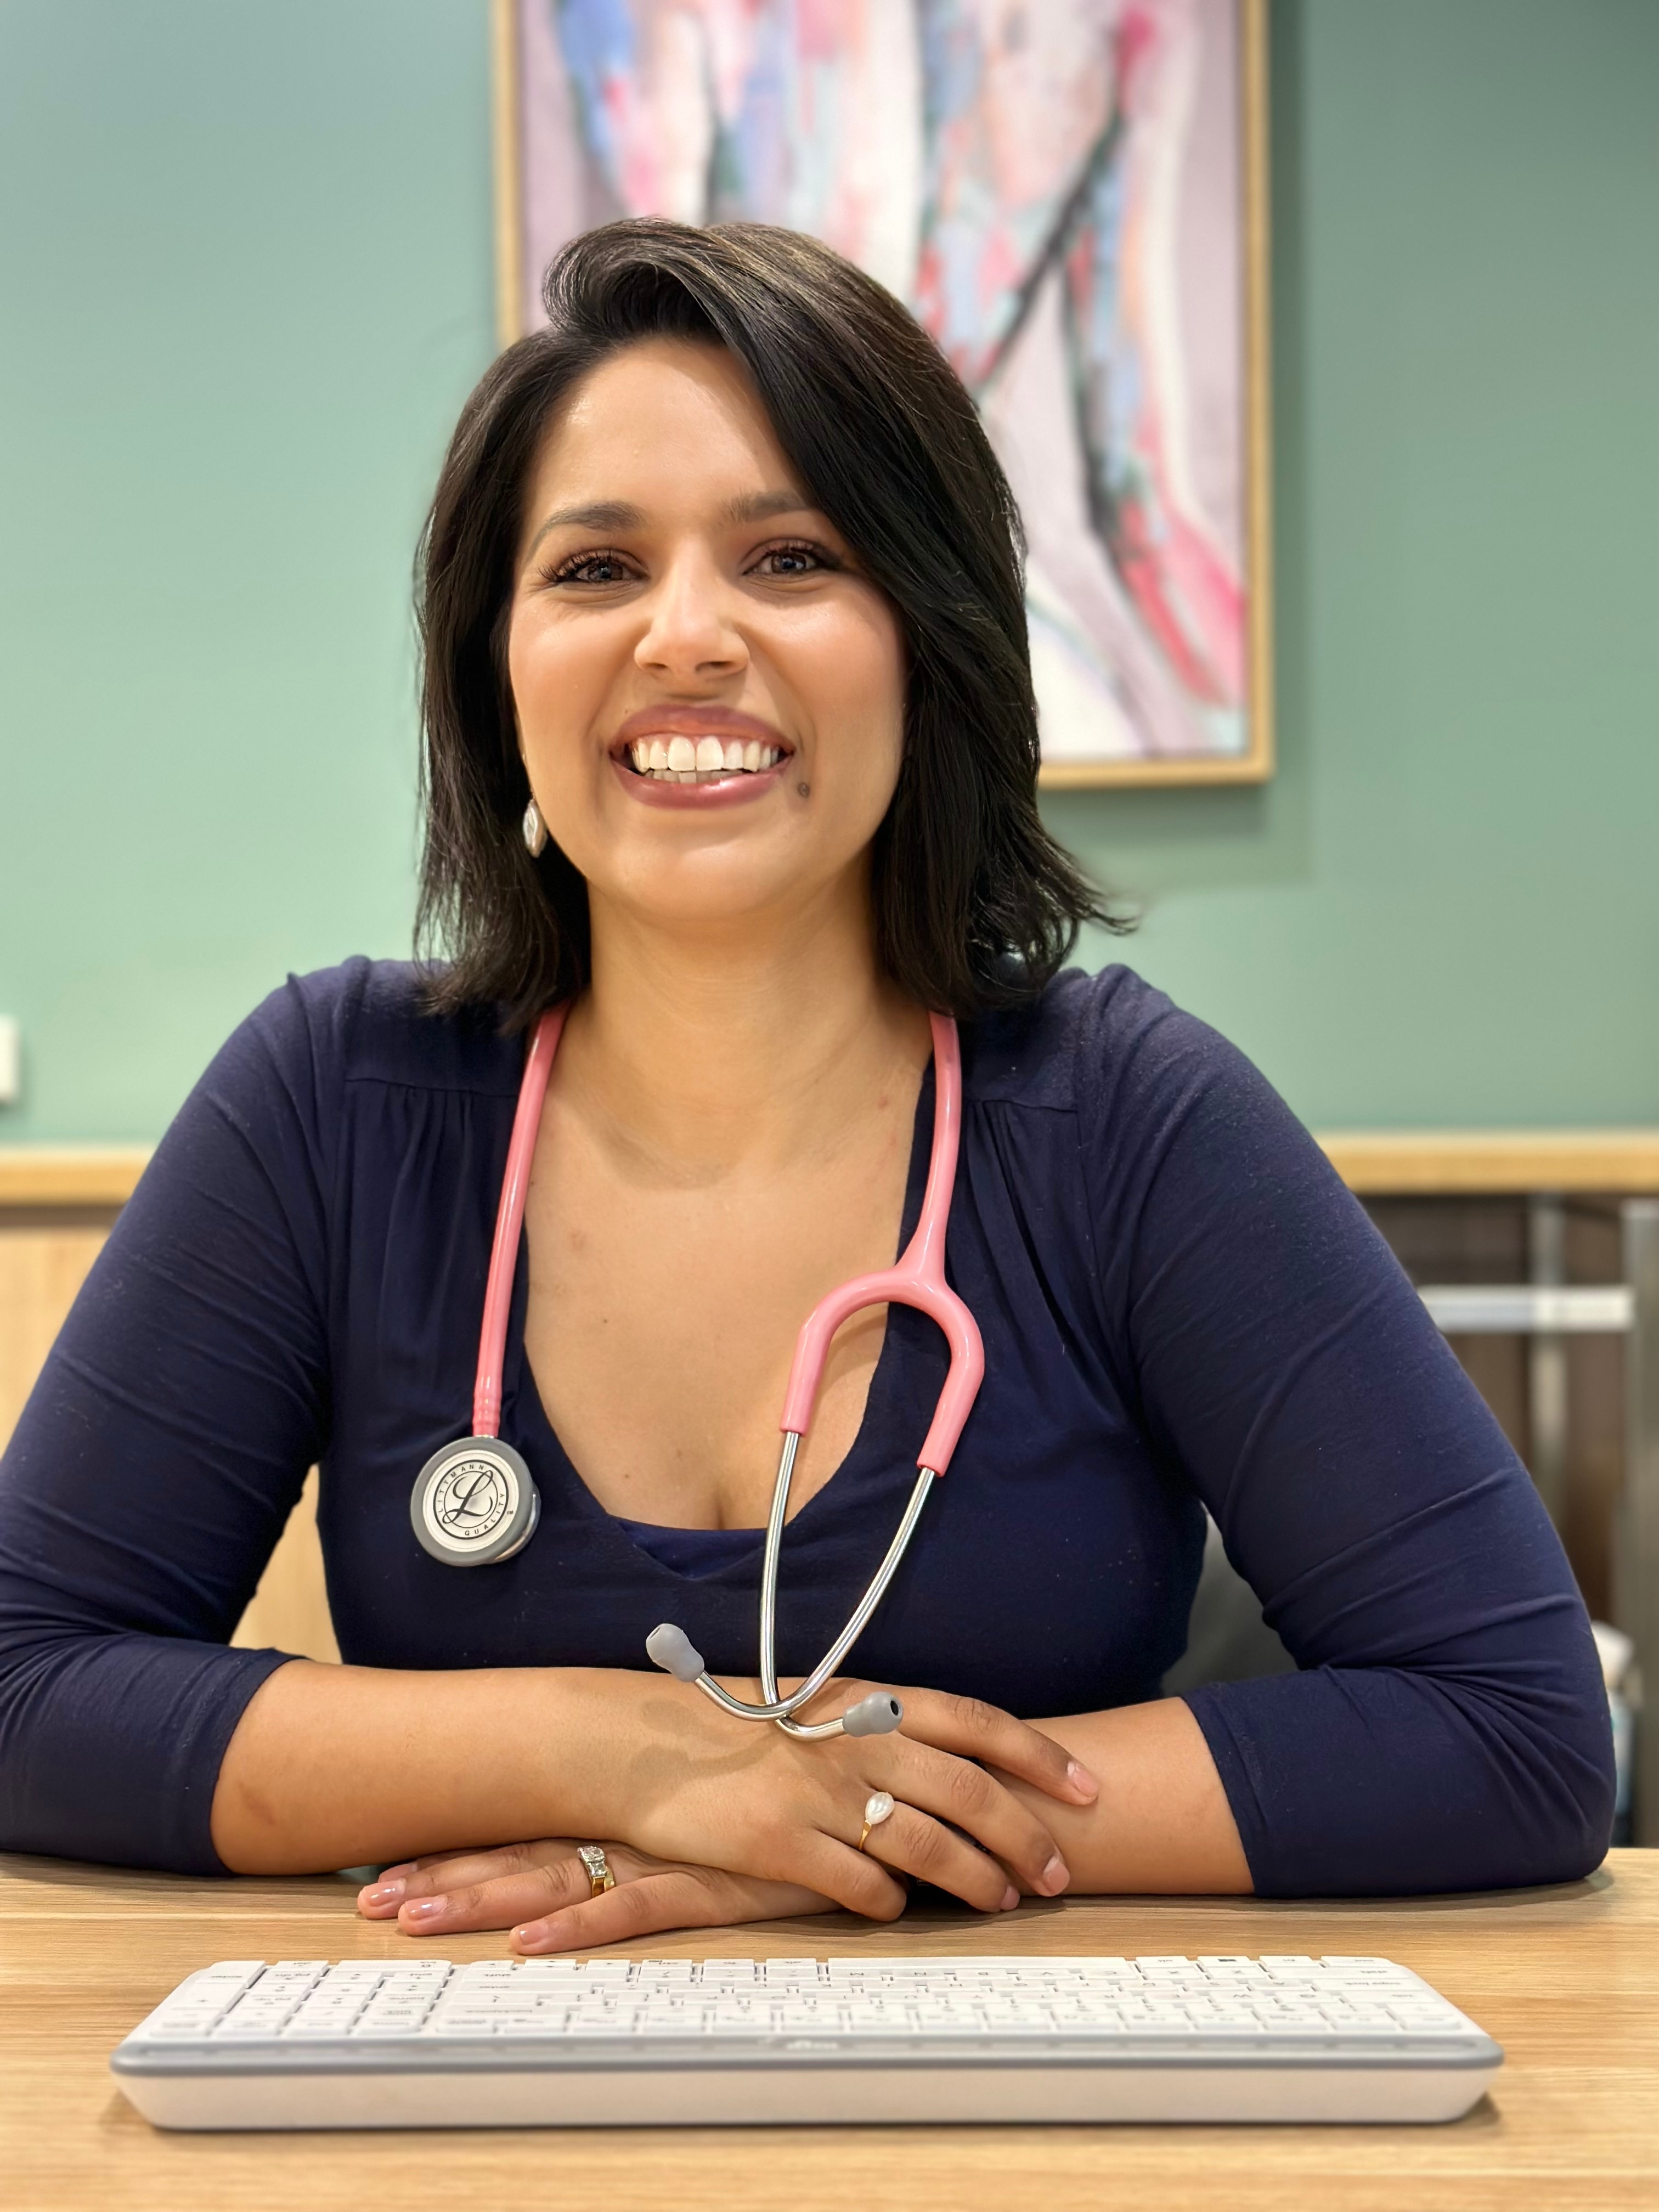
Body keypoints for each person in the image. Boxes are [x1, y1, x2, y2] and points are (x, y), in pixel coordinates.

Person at [0, 222, 1612, 1953]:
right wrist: (630, 1756)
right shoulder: (332, 1103)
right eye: (596, 570)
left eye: (790, 557)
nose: (686, 636)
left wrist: (831, 1827)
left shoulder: (1130, 1120)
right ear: (497, 668)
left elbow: (1511, 1732)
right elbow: (26, 1693)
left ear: (928, 644)